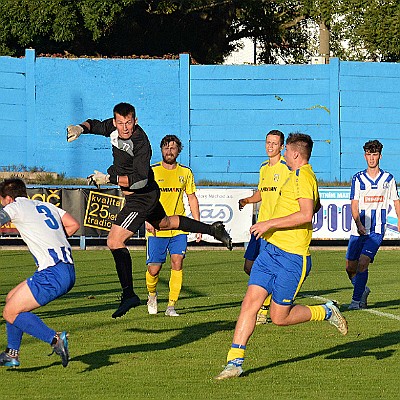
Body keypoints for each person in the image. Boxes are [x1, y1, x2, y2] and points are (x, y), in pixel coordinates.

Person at [67, 102, 232, 319]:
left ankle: (129, 295)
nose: (124, 127)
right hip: (147, 195)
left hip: (141, 196)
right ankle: (213, 230)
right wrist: (80, 128)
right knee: (164, 223)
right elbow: (96, 125)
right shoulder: (114, 127)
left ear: (136, 121)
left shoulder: (141, 142)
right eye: (120, 122)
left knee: (114, 241)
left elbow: (140, 181)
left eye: (129, 122)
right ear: (115, 121)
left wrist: (110, 179)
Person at [215, 133, 348, 380]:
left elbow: (307, 214)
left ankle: (326, 311)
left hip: (292, 258)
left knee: (279, 318)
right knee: (249, 304)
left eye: (286, 149)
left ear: (296, 153)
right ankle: (234, 362)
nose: (284, 153)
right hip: (271, 251)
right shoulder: (292, 175)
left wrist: (268, 223)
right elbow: (313, 205)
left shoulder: (304, 176)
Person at [0, 178, 79, 368]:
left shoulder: (15, 206)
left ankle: (55, 339)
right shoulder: (46, 206)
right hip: (66, 269)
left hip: (53, 273)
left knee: (9, 313)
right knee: (12, 299)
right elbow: (73, 225)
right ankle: (12, 354)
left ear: (9, 198)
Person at [145, 135, 201, 317]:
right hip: (157, 227)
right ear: (161, 150)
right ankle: (152, 294)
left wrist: (197, 224)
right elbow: (143, 198)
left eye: (173, 148)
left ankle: (171, 306)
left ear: (179, 150)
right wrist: (146, 219)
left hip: (178, 227)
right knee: (154, 268)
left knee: (177, 262)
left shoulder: (185, 173)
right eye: (166, 148)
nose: (169, 152)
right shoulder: (152, 172)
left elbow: (192, 198)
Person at [238, 130, 290, 324]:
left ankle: (265, 307)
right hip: (260, 226)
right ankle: (268, 300)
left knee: (265, 268)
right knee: (249, 266)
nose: (270, 146)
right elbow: (262, 192)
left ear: (282, 147)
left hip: (275, 229)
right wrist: (248, 200)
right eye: (268, 142)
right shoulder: (263, 168)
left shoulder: (287, 168)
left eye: (274, 143)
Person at [345, 140, 400, 310]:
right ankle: (362, 289)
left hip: (376, 230)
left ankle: (355, 302)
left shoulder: (388, 179)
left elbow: (396, 202)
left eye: (374, 154)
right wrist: (358, 223)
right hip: (358, 230)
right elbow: (354, 205)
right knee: (350, 268)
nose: (371, 158)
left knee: (363, 263)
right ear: (365, 156)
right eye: (369, 154)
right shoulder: (358, 178)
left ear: (380, 156)